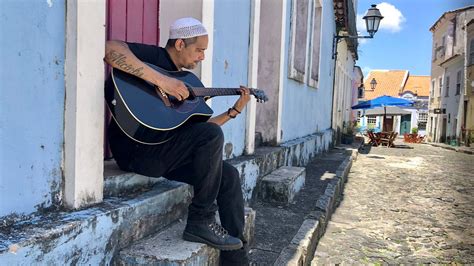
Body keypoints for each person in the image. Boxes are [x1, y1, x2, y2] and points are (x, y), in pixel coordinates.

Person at [104, 17, 251, 265]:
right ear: (180, 43)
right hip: (136, 150)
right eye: (199, 50)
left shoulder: (189, 82)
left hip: (166, 154)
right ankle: (200, 220)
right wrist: (162, 81)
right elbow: (109, 49)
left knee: (228, 176)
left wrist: (233, 112)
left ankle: (237, 260)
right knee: (211, 137)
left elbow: (202, 136)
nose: (202, 57)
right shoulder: (155, 58)